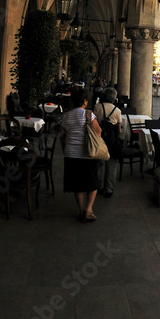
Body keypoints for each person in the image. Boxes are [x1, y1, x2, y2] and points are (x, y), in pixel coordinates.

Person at [59, 90, 104, 221]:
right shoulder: (89, 114)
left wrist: (65, 150)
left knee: (77, 184)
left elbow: (62, 136)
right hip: (87, 154)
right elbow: (98, 131)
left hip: (71, 154)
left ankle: (80, 210)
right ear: (85, 101)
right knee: (93, 183)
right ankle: (88, 210)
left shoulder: (67, 116)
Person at [93, 87, 122, 198]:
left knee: (98, 164)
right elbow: (119, 130)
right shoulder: (118, 111)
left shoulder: (97, 107)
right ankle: (109, 189)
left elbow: (93, 122)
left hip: (99, 139)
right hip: (113, 141)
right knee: (112, 165)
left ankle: (97, 187)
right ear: (114, 98)